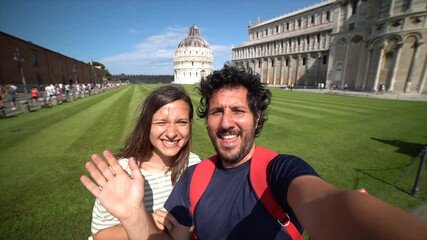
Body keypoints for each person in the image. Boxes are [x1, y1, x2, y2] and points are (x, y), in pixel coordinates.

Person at [81, 64, 427, 240]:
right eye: (216, 111)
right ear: (207, 121)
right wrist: (132, 218)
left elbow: (326, 204)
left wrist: (356, 215)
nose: (226, 122)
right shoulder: (195, 175)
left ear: (256, 118)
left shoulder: (279, 170)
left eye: (238, 111)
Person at [87, 85, 200, 240]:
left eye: (181, 122)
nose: (172, 133)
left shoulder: (194, 164)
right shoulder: (122, 172)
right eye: (161, 122)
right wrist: (141, 222)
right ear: (147, 125)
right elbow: (100, 234)